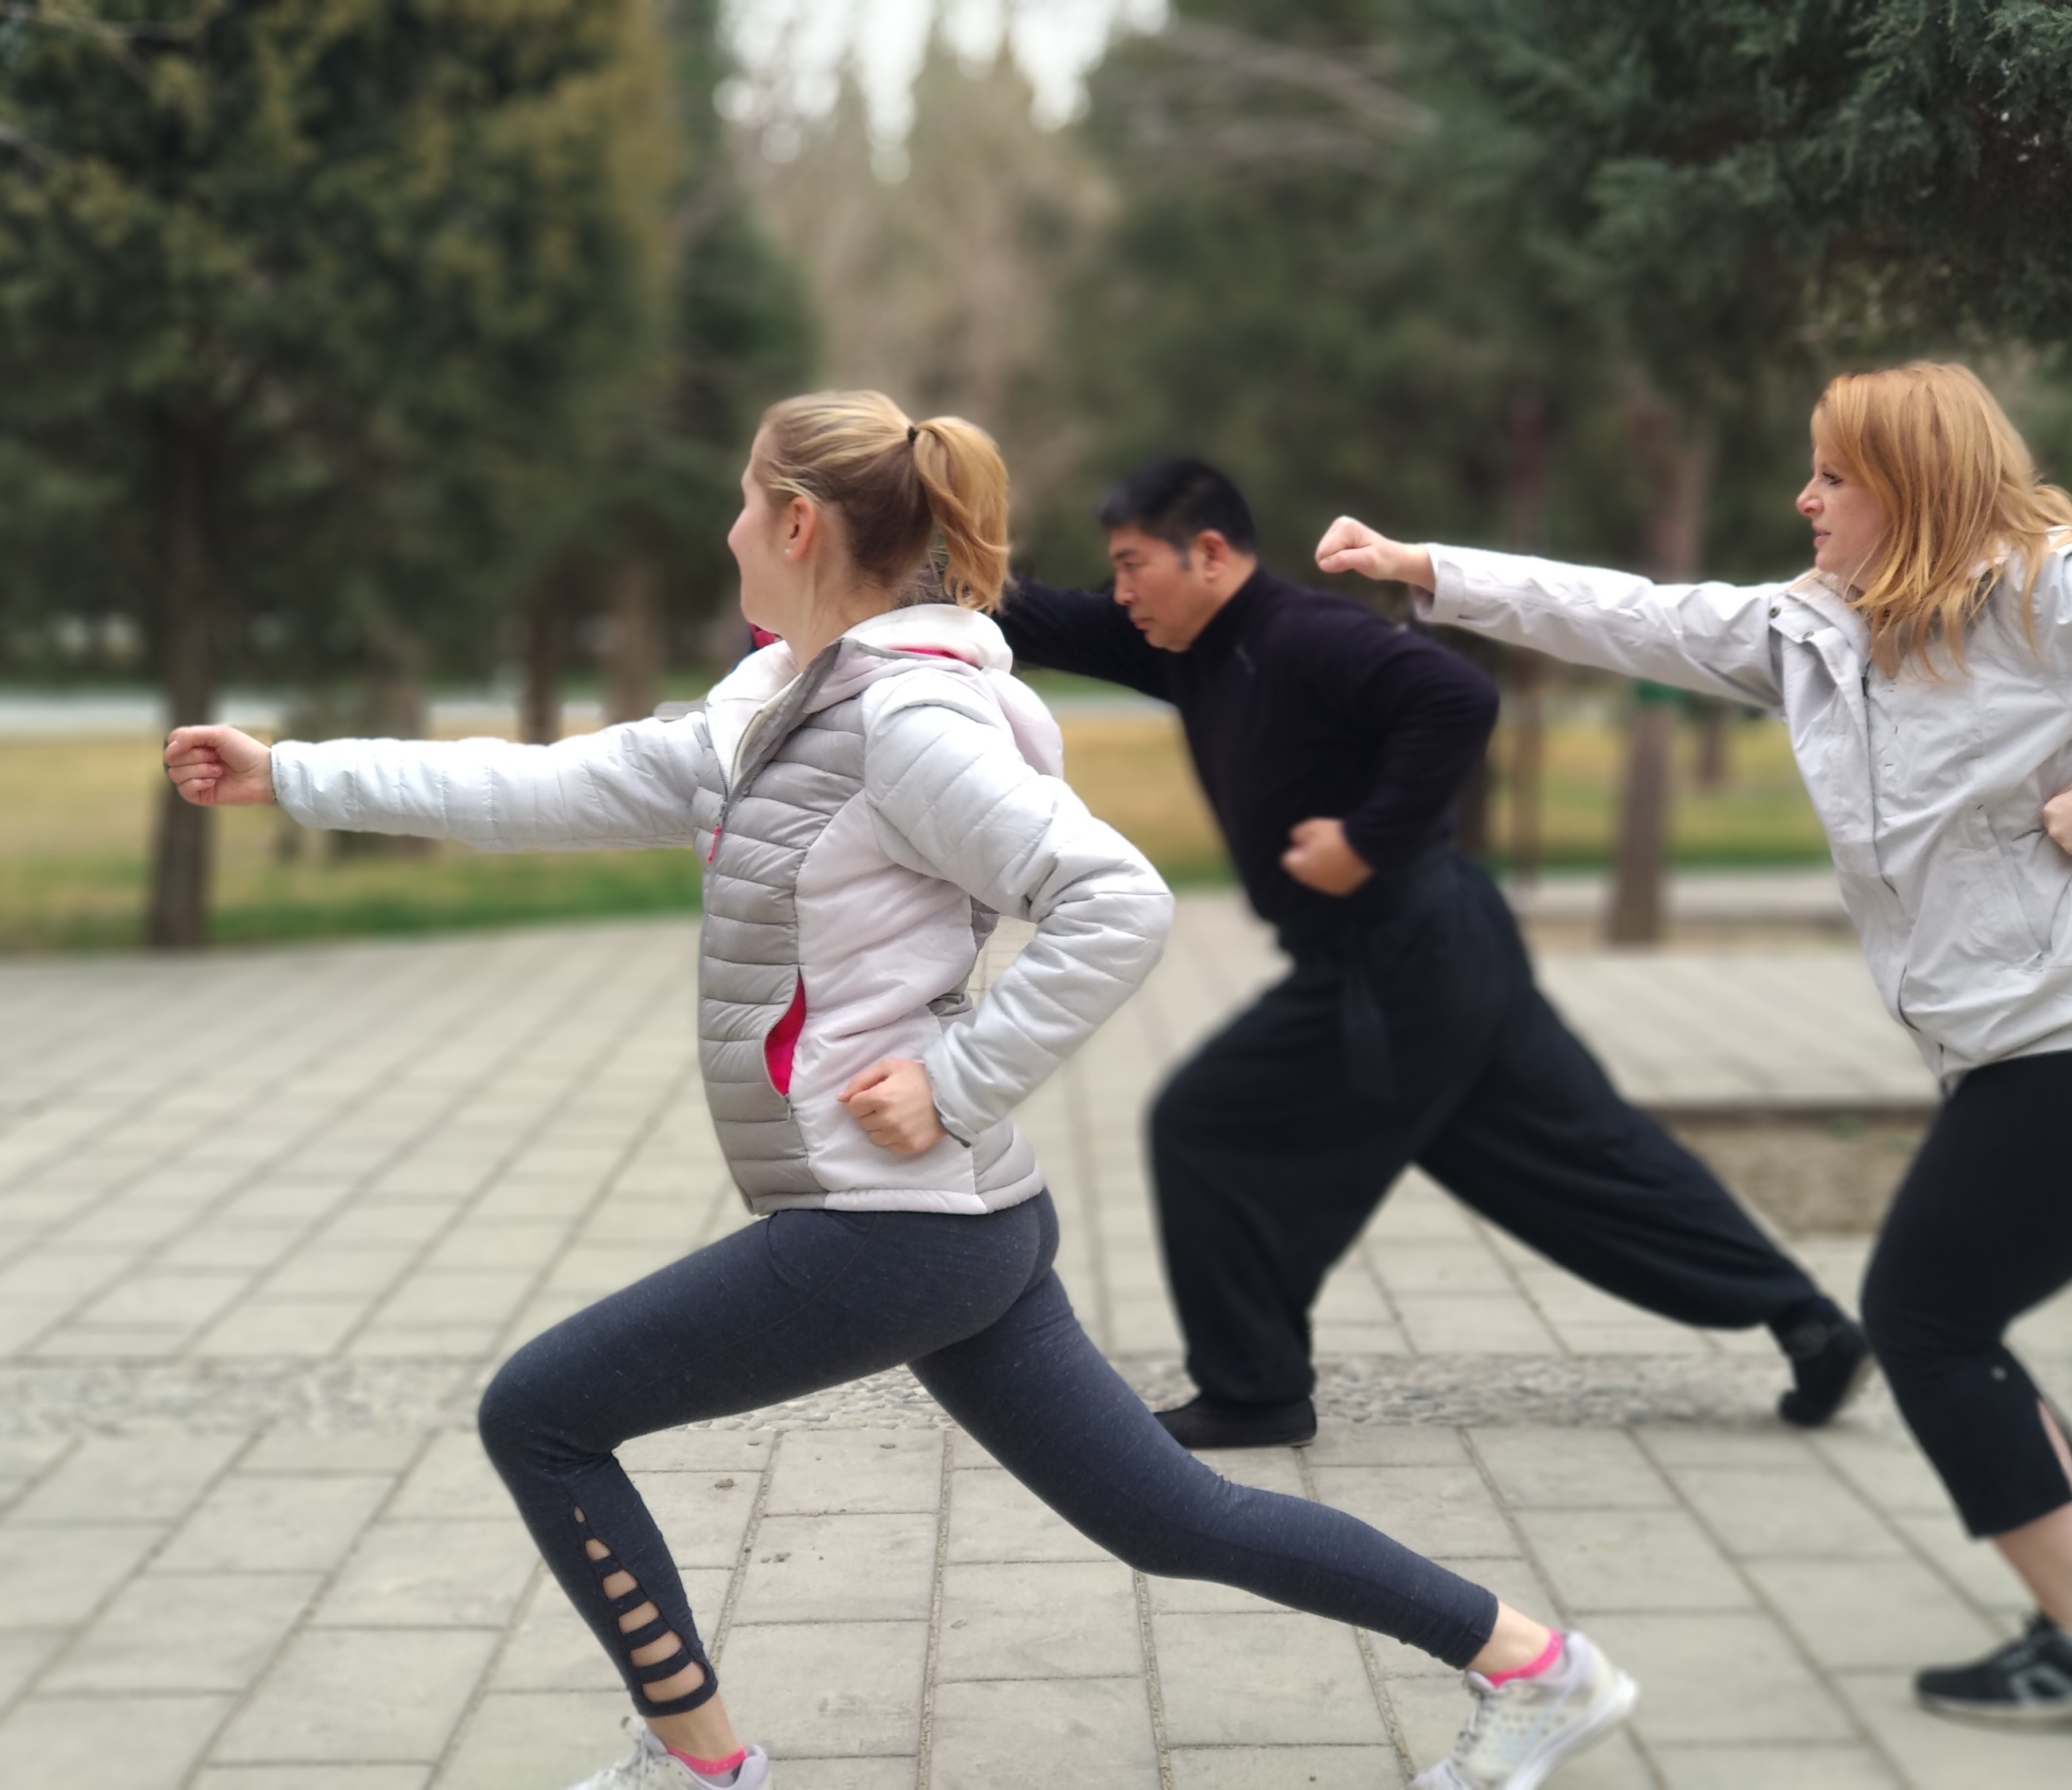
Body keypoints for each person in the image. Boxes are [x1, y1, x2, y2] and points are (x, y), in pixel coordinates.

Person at [165, 393, 1637, 1790]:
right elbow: (546, 783)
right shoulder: (781, 704)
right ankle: (1538, 1666)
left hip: (893, 1225)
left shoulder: (906, 725)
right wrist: (286, 774)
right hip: (956, 1227)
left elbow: (1114, 900)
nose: (727, 525)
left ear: (797, 523)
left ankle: (700, 1758)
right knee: (1173, 1520)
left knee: (540, 1415)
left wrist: (955, 1074)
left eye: (745, 498)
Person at [1315, 360, 2072, 1730]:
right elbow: (1629, 613)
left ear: (1910, 487)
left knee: (1925, 1314)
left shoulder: (2052, 595)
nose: (1805, 498)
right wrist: (1425, 567)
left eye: (1835, 476)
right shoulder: (1813, 632)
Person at [1000, 459, 1871, 1452]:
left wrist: (1367, 839)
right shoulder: (1189, 644)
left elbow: (1455, 695)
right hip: (1443, 953)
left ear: (1209, 554)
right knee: (1586, 1158)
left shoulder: (1302, 634)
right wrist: (916, 565)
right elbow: (1041, 620)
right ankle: (1810, 1325)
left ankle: (1254, 1392)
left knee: (1204, 1125)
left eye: (1131, 566)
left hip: (1405, 955)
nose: (1119, 593)